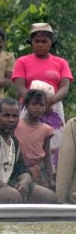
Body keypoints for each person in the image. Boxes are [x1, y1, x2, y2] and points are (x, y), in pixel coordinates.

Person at [12, 23, 72, 168]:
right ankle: (25, 171)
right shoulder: (22, 61)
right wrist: (33, 103)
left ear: (51, 43)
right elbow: (20, 86)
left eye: (44, 41)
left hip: (53, 108)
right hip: (29, 105)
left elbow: (64, 87)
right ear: (31, 43)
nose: (40, 44)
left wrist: (49, 102)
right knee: (27, 139)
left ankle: (53, 175)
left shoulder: (61, 62)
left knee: (54, 142)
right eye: (36, 41)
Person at [14, 89, 55, 189]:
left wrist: (51, 178)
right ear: (26, 105)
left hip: (38, 171)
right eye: (34, 104)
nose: (38, 108)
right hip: (18, 170)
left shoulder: (46, 129)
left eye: (41, 105)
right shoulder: (16, 124)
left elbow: (47, 156)